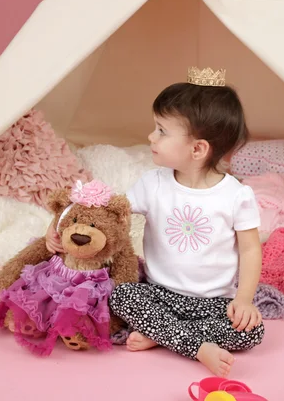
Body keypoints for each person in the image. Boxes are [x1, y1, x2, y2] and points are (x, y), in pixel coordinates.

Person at [45, 67, 264, 377]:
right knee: (121, 296)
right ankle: (193, 344)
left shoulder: (236, 195)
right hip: (158, 292)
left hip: (214, 301)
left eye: (162, 130)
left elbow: (251, 250)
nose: (151, 137)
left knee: (251, 331)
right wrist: (60, 222)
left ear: (198, 149)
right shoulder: (153, 184)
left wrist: (244, 300)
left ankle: (163, 335)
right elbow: (106, 212)